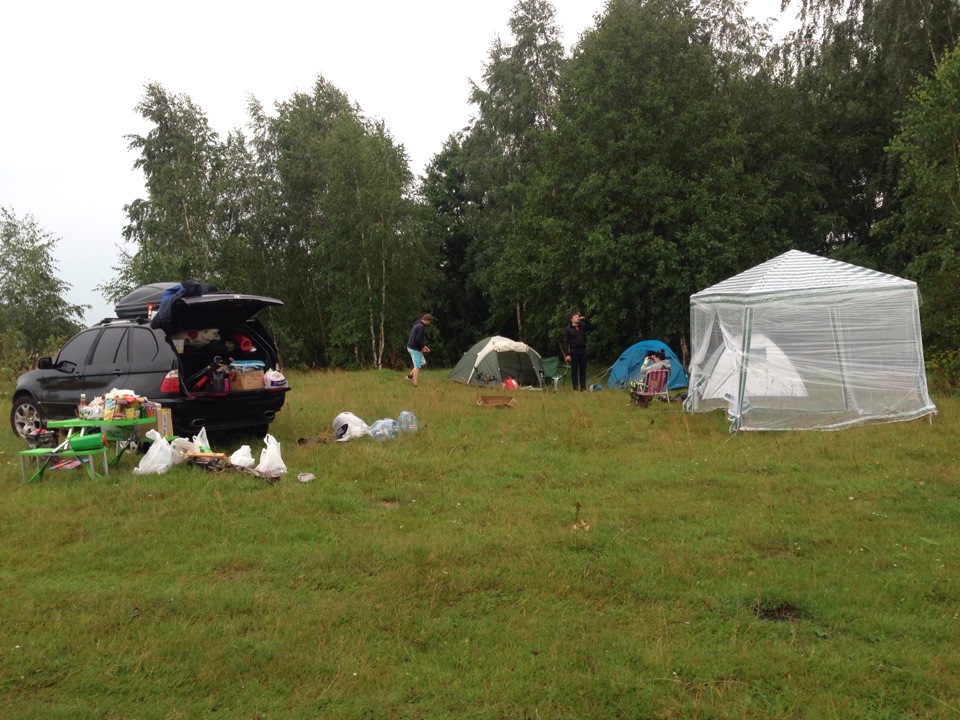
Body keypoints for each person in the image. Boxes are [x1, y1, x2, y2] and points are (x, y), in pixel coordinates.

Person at [563, 311, 595, 392]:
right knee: (574, 370)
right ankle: (575, 388)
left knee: (583, 370)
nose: (578, 318)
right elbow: (566, 342)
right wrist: (567, 354)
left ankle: (583, 388)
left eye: (578, 317)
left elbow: (593, 327)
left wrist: (585, 320)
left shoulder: (583, 326)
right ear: (572, 319)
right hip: (574, 351)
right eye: (576, 317)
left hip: (583, 350)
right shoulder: (568, 329)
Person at [406, 314, 433, 388]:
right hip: (414, 348)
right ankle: (415, 385)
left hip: (415, 347)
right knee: (417, 366)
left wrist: (423, 346)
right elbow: (418, 340)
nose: (429, 324)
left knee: (422, 362)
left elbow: (419, 339)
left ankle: (409, 377)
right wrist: (421, 348)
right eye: (429, 322)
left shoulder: (418, 324)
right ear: (427, 320)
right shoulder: (421, 327)